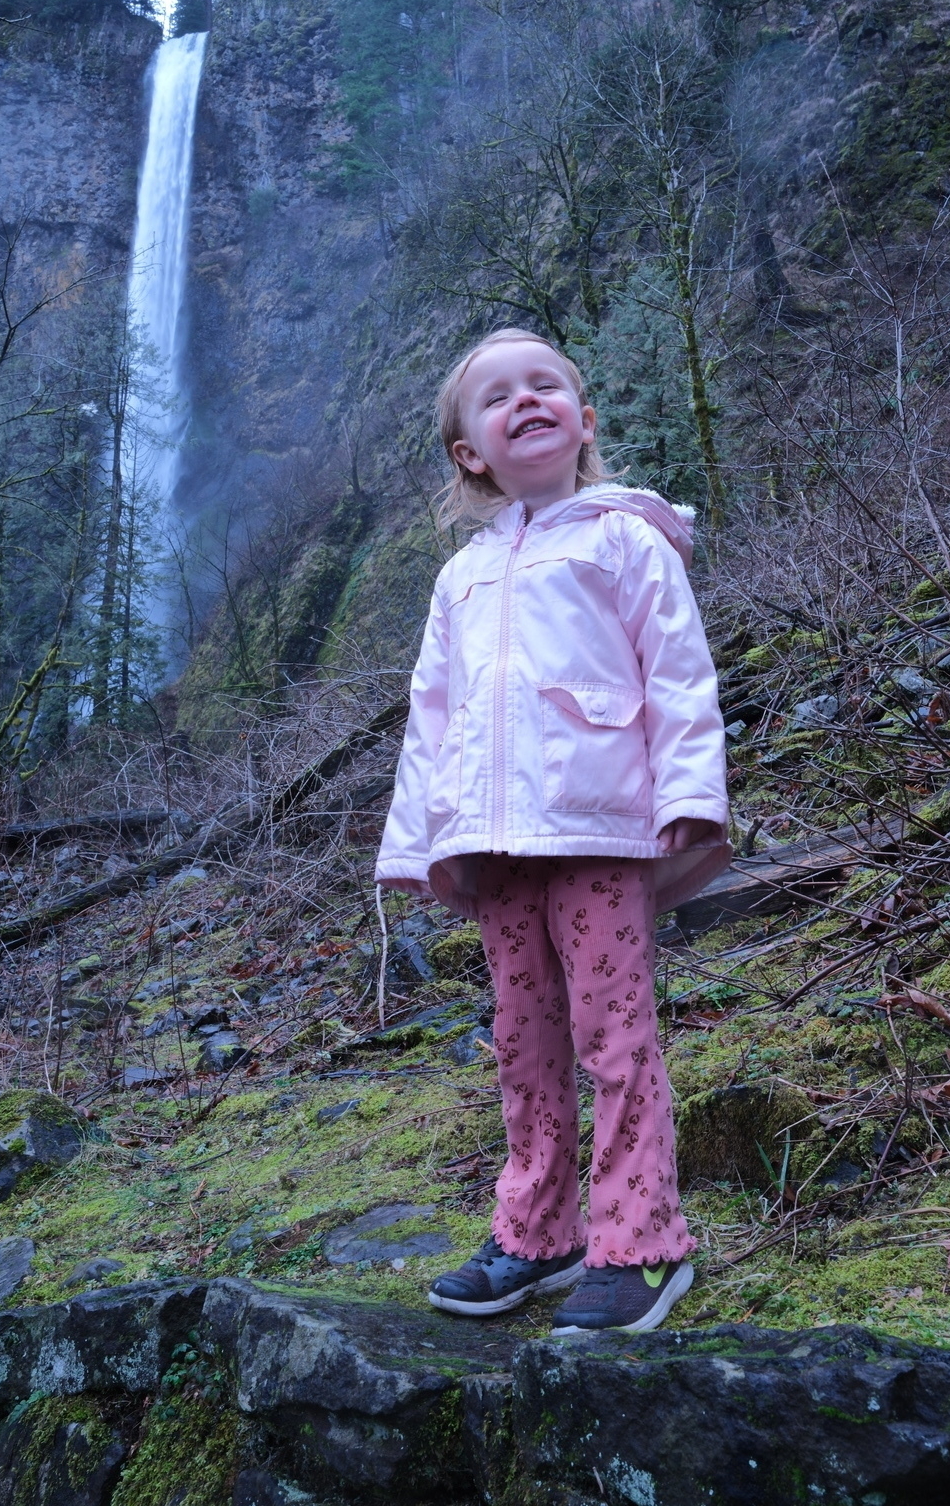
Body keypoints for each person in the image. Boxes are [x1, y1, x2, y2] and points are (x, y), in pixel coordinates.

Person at [376, 328, 730, 1334]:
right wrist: (418, 843)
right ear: (470, 454)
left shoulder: (625, 540)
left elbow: (678, 672)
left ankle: (643, 1242)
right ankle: (538, 1233)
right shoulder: (461, 580)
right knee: (523, 1043)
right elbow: (431, 717)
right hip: (495, 848)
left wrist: (690, 797)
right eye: (498, 396)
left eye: (547, 385)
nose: (525, 399)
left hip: (600, 829)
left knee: (615, 1036)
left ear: (584, 421)